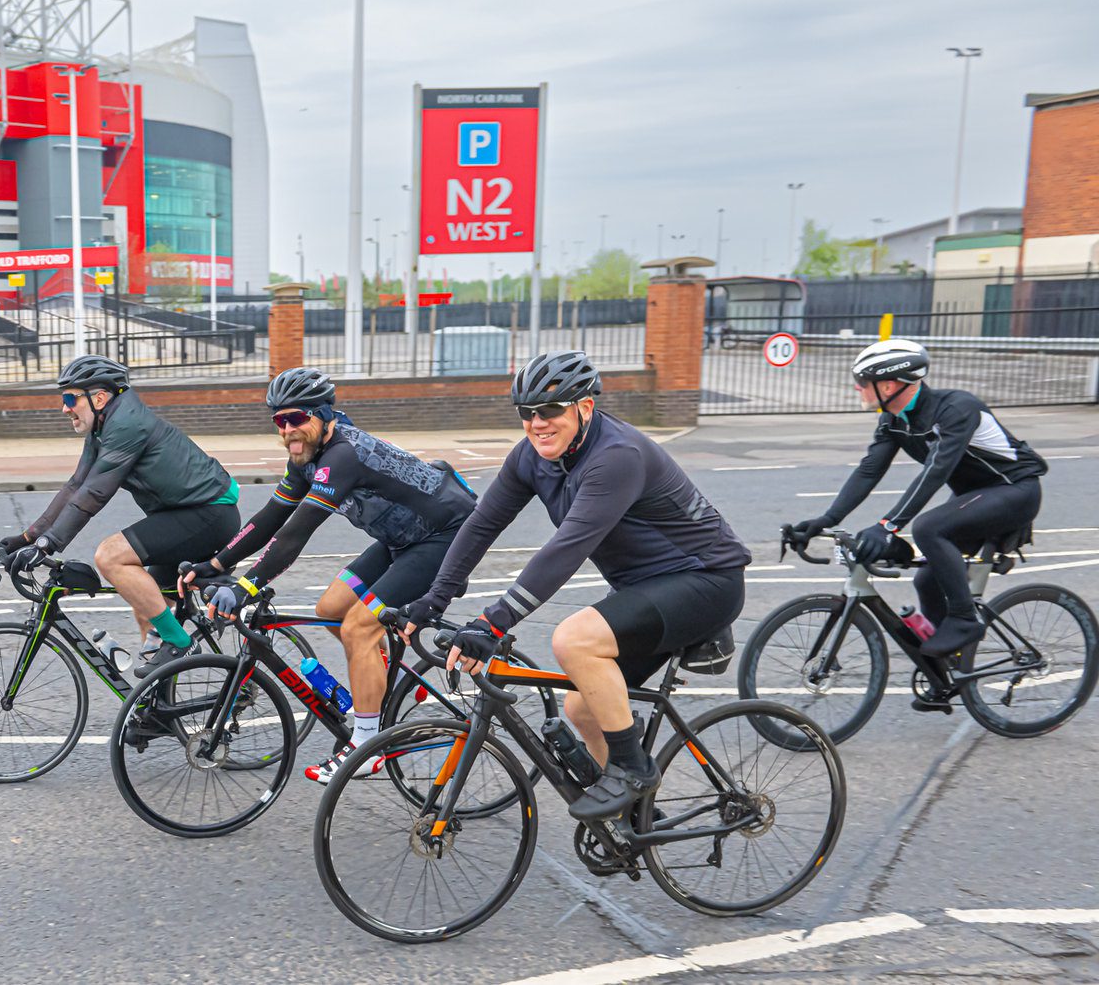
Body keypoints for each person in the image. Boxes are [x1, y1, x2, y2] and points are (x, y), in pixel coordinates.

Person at [403, 350, 751, 821]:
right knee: (583, 709)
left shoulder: (616, 457)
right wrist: (433, 597)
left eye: (549, 411)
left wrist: (492, 622)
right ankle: (638, 823)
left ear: (584, 408)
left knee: (574, 641)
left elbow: (564, 550)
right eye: (526, 414)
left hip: (706, 581)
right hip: (644, 588)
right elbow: (483, 524)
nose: (536, 424)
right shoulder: (532, 455)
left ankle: (632, 768)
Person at [181, 366, 477, 783]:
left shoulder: (342, 456)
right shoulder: (306, 458)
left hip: (446, 539)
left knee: (359, 627)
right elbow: (270, 518)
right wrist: (214, 564)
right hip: (403, 540)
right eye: (280, 422)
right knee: (332, 608)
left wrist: (248, 584)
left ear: (325, 417)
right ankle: (385, 687)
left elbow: (295, 535)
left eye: (298, 418)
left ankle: (368, 744)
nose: (288, 430)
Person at [790, 338, 1047, 663]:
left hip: (1016, 492)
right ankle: (948, 670)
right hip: (975, 497)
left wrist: (887, 526)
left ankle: (965, 620)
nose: (857, 389)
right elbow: (869, 471)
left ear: (888, 384)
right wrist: (825, 520)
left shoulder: (955, 410)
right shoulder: (894, 420)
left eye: (862, 382)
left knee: (928, 528)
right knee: (928, 578)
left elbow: (936, 472)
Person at [0, 355, 242, 677]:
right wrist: (27, 538)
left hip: (210, 512)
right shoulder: (103, 428)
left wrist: (47, 545)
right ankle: (155, 705)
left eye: (70, 398)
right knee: (148, 606)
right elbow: (76, 486)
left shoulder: (127, 424)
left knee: (110, 556)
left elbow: (96, 492)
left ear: (98, 398)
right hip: (185, 512)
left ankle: (180, 643)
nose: (64, 408)